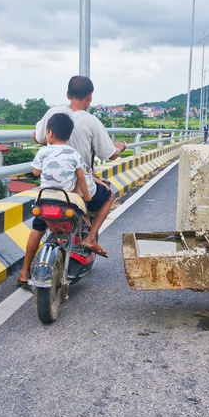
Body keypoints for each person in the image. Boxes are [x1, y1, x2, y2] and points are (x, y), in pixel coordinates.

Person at [18, 76, 126, 285]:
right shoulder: (92, 121)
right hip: (78, 186)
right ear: (90, 97)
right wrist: (121, 147)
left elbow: (37, 138)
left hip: (49, 191)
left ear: (68, 95)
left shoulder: (52, 114)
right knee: (108, 195)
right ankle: (91, 237)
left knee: (37, 227)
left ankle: (24, 272)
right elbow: (109, 154)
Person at [31, 113, 92, 204]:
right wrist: (86, 196)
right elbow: (81, 177)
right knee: (81, 211)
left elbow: (35, 172)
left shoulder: (42, 151)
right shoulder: (74, 153)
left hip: (46, 193)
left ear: (50, 133)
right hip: (67, 194)